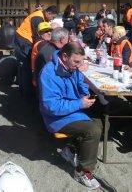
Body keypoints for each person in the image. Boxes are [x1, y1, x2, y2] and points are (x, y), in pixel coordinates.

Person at [38, 42, 102, 190]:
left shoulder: (72, 67)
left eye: (81, 62)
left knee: (100, 123)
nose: (79, 65)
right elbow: (51, 107)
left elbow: (80, 83)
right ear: (65, 56)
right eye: (76, 61)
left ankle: (71, 150)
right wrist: (80, 104)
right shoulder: (49, 73)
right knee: (93, 130)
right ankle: (82, 171)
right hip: (55, 118)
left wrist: (84, 92)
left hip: (72, 110)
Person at [14, 5, 58, 98]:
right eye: (52, 17)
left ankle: (24, 93)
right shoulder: (38, 17)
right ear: (48, 13)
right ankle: (27, 95)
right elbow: (38, 35)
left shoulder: (40, 15)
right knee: (26, 68)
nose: (51, 20)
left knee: (23, 68)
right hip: (23, 42)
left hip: (22, 40)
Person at [30, 22, 53, 87]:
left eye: (50, 30)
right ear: (39, 33)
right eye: (46, 31)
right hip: (41, 76)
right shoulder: (41, 44)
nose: (49, 33)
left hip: (39, 74)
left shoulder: (41, 42)